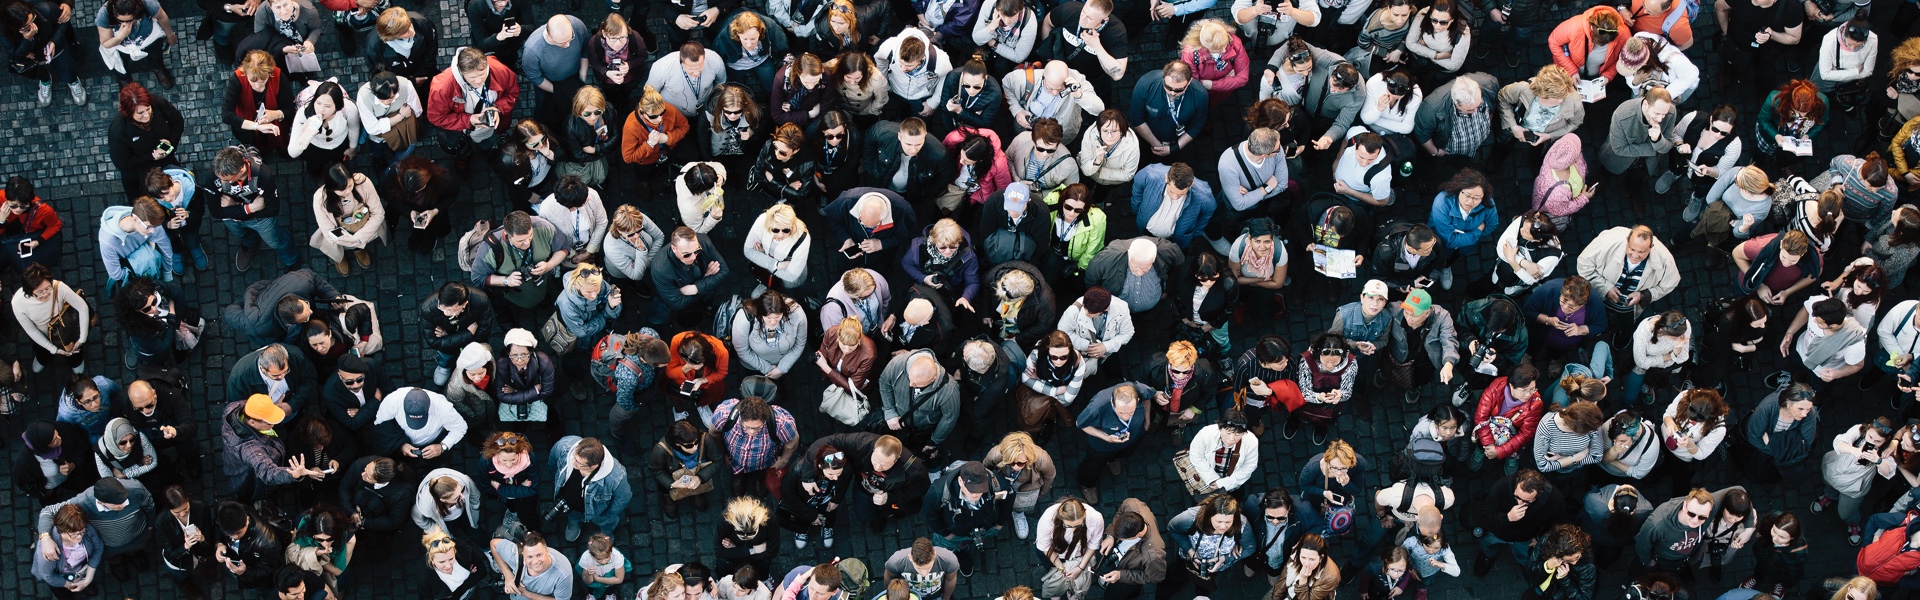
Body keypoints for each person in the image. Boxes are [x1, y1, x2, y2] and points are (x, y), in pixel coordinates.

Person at [426, 47, 520, 166]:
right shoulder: (442, 88)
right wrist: (468, 120)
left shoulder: (500, 70)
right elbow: (436, 117)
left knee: (489, 143)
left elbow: (512, 92)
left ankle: (488, 150)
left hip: (491, 127)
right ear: (461, 72)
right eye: (472, 78)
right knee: (463, 150)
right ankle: (464, 156)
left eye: (482, 74)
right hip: (462, 131)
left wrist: (498, 108)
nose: (479, 80)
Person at [1158, 493, 1251, 600]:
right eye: (1219, 521)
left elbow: (1250, 547)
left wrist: (1225, 558)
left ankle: (1202, 591)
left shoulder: (1242, 524)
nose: (1223, 526)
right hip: (1186, 559)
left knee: (1204, 583)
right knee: (1176, 576)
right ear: (1209, 516)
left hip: (1214, 567)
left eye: (1228, 522)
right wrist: (1190, 551)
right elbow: (1172, 529)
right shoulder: (1191, 518)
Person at [1473, 469, 1564, 575]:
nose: (1519, 503)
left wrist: (1540, 537)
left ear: (1539, 494)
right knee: (1488, 545)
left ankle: (1523, 563)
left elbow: (1557, 523)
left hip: (1525, 538)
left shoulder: (1553, 498)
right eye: (1517, 497)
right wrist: (1507, 518)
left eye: (1526, 501)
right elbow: (1485, 516)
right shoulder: (1502, 487)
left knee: (1523, 553)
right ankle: (1487, 556)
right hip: (1497, 532)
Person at [109, 85, 180, 203]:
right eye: (140, 113)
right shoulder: (118, 131)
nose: (147, 115)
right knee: (141, 203)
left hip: (166, 158)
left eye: (148, 109)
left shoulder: (158, 103)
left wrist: (170, 144)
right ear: (129, 113)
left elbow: (178, 123)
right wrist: (151, 156)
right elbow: (123, 163)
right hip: (137, 170)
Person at [644, 420, 725, 518]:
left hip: (697, 472)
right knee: (664, 488)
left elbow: (718, 460)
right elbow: (656, 470)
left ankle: (697, 492)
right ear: (677, 443)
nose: (695, 448)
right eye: (689, 445)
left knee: (698, 490)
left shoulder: (705, 438)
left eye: (697, 442)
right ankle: (668, 498)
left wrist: (700, 477)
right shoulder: (661, 450)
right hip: (672, 477)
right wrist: (671, 484)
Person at [1657, 389, 1729, 496]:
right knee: (1663, 465)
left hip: (1683, 458)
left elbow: (1701, 454)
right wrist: (1670, 423)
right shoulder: (1686, 395)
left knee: (1680, 482)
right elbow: (1668, 414)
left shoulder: (1718, 429)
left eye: (1699, 419)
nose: (1692, 421)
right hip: (1664, 439)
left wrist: (1689, 444)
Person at [94, 0, 176, 87]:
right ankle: (124, 79)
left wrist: (170, 35)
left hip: (149, 39)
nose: (126, 24)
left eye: (131, 20)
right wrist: (120, 37)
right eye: (120, 20)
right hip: (120, 47)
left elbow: (162, 17)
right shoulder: (104, 14)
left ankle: (157, 68)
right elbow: (106, 43)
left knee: (156, 57)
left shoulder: (148, 3)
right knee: (119, 64)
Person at [1635, 488, 1713, 575]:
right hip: (1664, 559)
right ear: (1684, 506)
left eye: (1702, 517)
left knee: (1681, 568)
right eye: (1691, 514)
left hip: (1686, 556)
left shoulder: (1708, 510)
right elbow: (1642, 543)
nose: (1695, 520)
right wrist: (1648, 561)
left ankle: (1682, 569)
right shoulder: (1658, 523)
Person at [33, 504, 101, 599]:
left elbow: (99, 548)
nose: (80, 537)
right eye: (74, 534)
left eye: (82, 532)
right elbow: (48, 575)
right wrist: (69, 585)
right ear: (61, 531)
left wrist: (87, 579)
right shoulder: (48, 550)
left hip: (81, 570)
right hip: (60, 577)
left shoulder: (85, 528)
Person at [1185, 410, 1260, 495]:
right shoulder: (1205, 434)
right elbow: (1196, 456)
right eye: (1228, 433)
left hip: (1233, 483)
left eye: (1237, 434)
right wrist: (1212, 479)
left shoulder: (1251, 441)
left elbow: (1249, 466)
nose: (1231, 439)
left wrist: (1224, 483)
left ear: (1243, 433)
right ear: (1220, 428)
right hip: (1205, 479)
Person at [489, 531, 573, 600]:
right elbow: (494, 544)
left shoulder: (563, 573)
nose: (535, 561)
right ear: (523, 554)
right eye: (529, 557)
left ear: (547, 551)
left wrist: (526, 594)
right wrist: (508, 575)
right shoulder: (515, 556)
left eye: (539, 555)